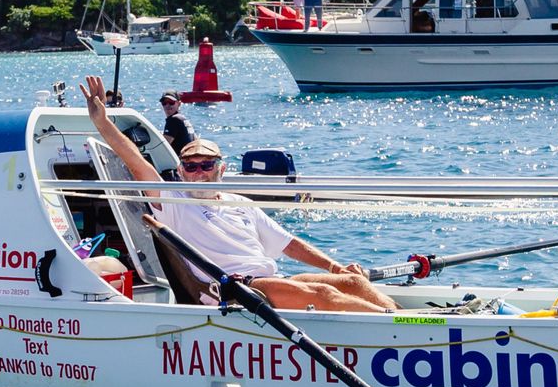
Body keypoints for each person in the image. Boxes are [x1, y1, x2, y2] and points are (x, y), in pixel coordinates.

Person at [81, 75, 396, 312]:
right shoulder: (173, 201)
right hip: (237, 288)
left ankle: (404, 318)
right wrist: (103, 123)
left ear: (222, 169)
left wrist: (334, 267)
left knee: (353, 283)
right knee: (326, 297)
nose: (199, 172)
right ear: (180, 172)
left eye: (207, 165)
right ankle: (402, 327)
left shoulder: (240, 204)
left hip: (271, 280)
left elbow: (291, 245)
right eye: (190, 167)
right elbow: (136, 162)